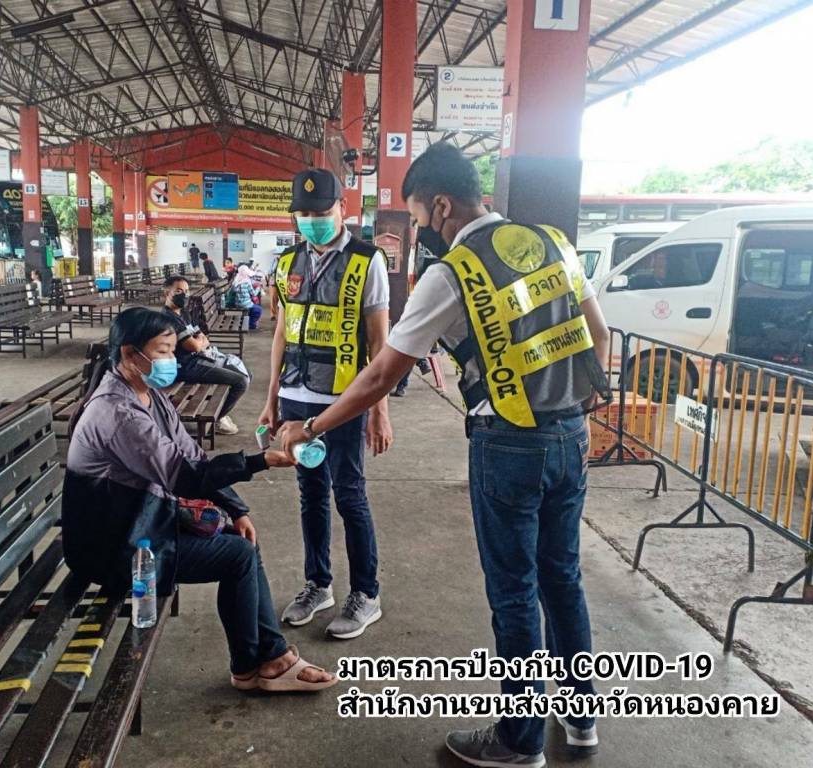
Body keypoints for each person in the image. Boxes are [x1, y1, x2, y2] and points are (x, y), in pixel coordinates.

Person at [279, 143, 611, 767]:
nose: (420, 230)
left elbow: (382, 374)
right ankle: (581, 717)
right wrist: (578, 412)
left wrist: (311, 427)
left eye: (417, 217)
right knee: (562, 579)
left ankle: (519, 742)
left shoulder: (452, 273)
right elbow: (599, 336)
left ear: (440, 206)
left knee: (515, 593)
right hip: (571, 437)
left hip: (507, 443)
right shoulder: (553, 243)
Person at [63, 307, 336, 693]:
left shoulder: (148, 395)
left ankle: (267, 660)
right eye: (162, 352)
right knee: (238, 556)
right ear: (129, 354)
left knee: (242, 540)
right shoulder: (117, 413)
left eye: (172, 351)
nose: (171, 361)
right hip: (111, 546)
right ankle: (257, 665)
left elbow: (193, 458)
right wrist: (260, 461)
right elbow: (186, 477)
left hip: (138, 520)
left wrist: (236, 508)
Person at [259, 168, 393, 640]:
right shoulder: (287, 262)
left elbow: (380, 343)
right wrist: (272, 398)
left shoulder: (367, 261)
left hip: (343, 403)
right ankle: (318, 585)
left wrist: (379, 410)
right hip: (296, 398)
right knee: (311, 495)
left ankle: (366, 594)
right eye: (304, 214)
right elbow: (282, 331)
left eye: (321, 212)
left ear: (342, 208)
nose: (312, 221)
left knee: (349, 496)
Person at [162, 275, 247, 435]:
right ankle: (218, 418)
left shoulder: (183, 313)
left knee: (245, 374)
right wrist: (199, 342)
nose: (184, 295)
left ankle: (220, 414)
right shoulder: (168, 318)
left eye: (186, 291)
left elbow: (203, 338)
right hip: (185, 367)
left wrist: (199, 342)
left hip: (198, 358)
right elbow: (194, 345)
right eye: (179, 291)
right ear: (167, 293)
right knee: (241, 382)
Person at [229, 265, 263, 330]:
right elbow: (254, 294)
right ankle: (251, 324)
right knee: (258, 309)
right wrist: (258, 288)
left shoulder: (236, 281)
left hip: (237, 304)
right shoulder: (247, 281)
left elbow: (233, 290)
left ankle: (246, 322)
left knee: (252, 306)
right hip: (246, 305)